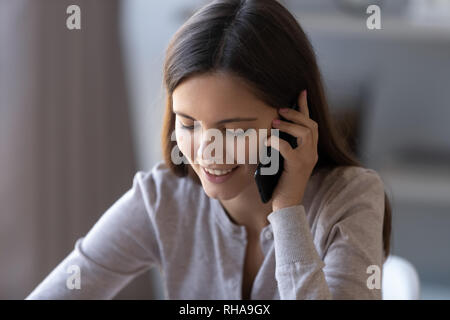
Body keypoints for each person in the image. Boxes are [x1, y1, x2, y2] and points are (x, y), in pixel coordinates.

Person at [26, 0, 391, 300]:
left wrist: (288, 211)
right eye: (188, 124)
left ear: (294, 119)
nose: (206, 152)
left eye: (234, 130)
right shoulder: (164, 199)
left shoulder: (350, 197)